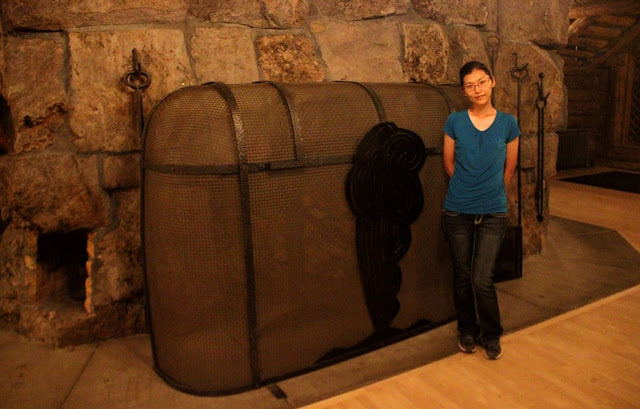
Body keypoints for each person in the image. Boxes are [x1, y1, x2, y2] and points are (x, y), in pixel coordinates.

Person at [441, 61, 520, 360]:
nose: (477, 89)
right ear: (464, 90)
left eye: (482, 82)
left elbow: (509, 168)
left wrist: (490, 191)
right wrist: (467, 188)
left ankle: (492, 334)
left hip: (493, 213)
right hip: (457, 210)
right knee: (462, 276)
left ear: (492, 82)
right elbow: (449, 163)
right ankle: (467, 331)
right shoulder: (455, 121)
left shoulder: (508, 123)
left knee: (481, 279)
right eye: (470, 85)